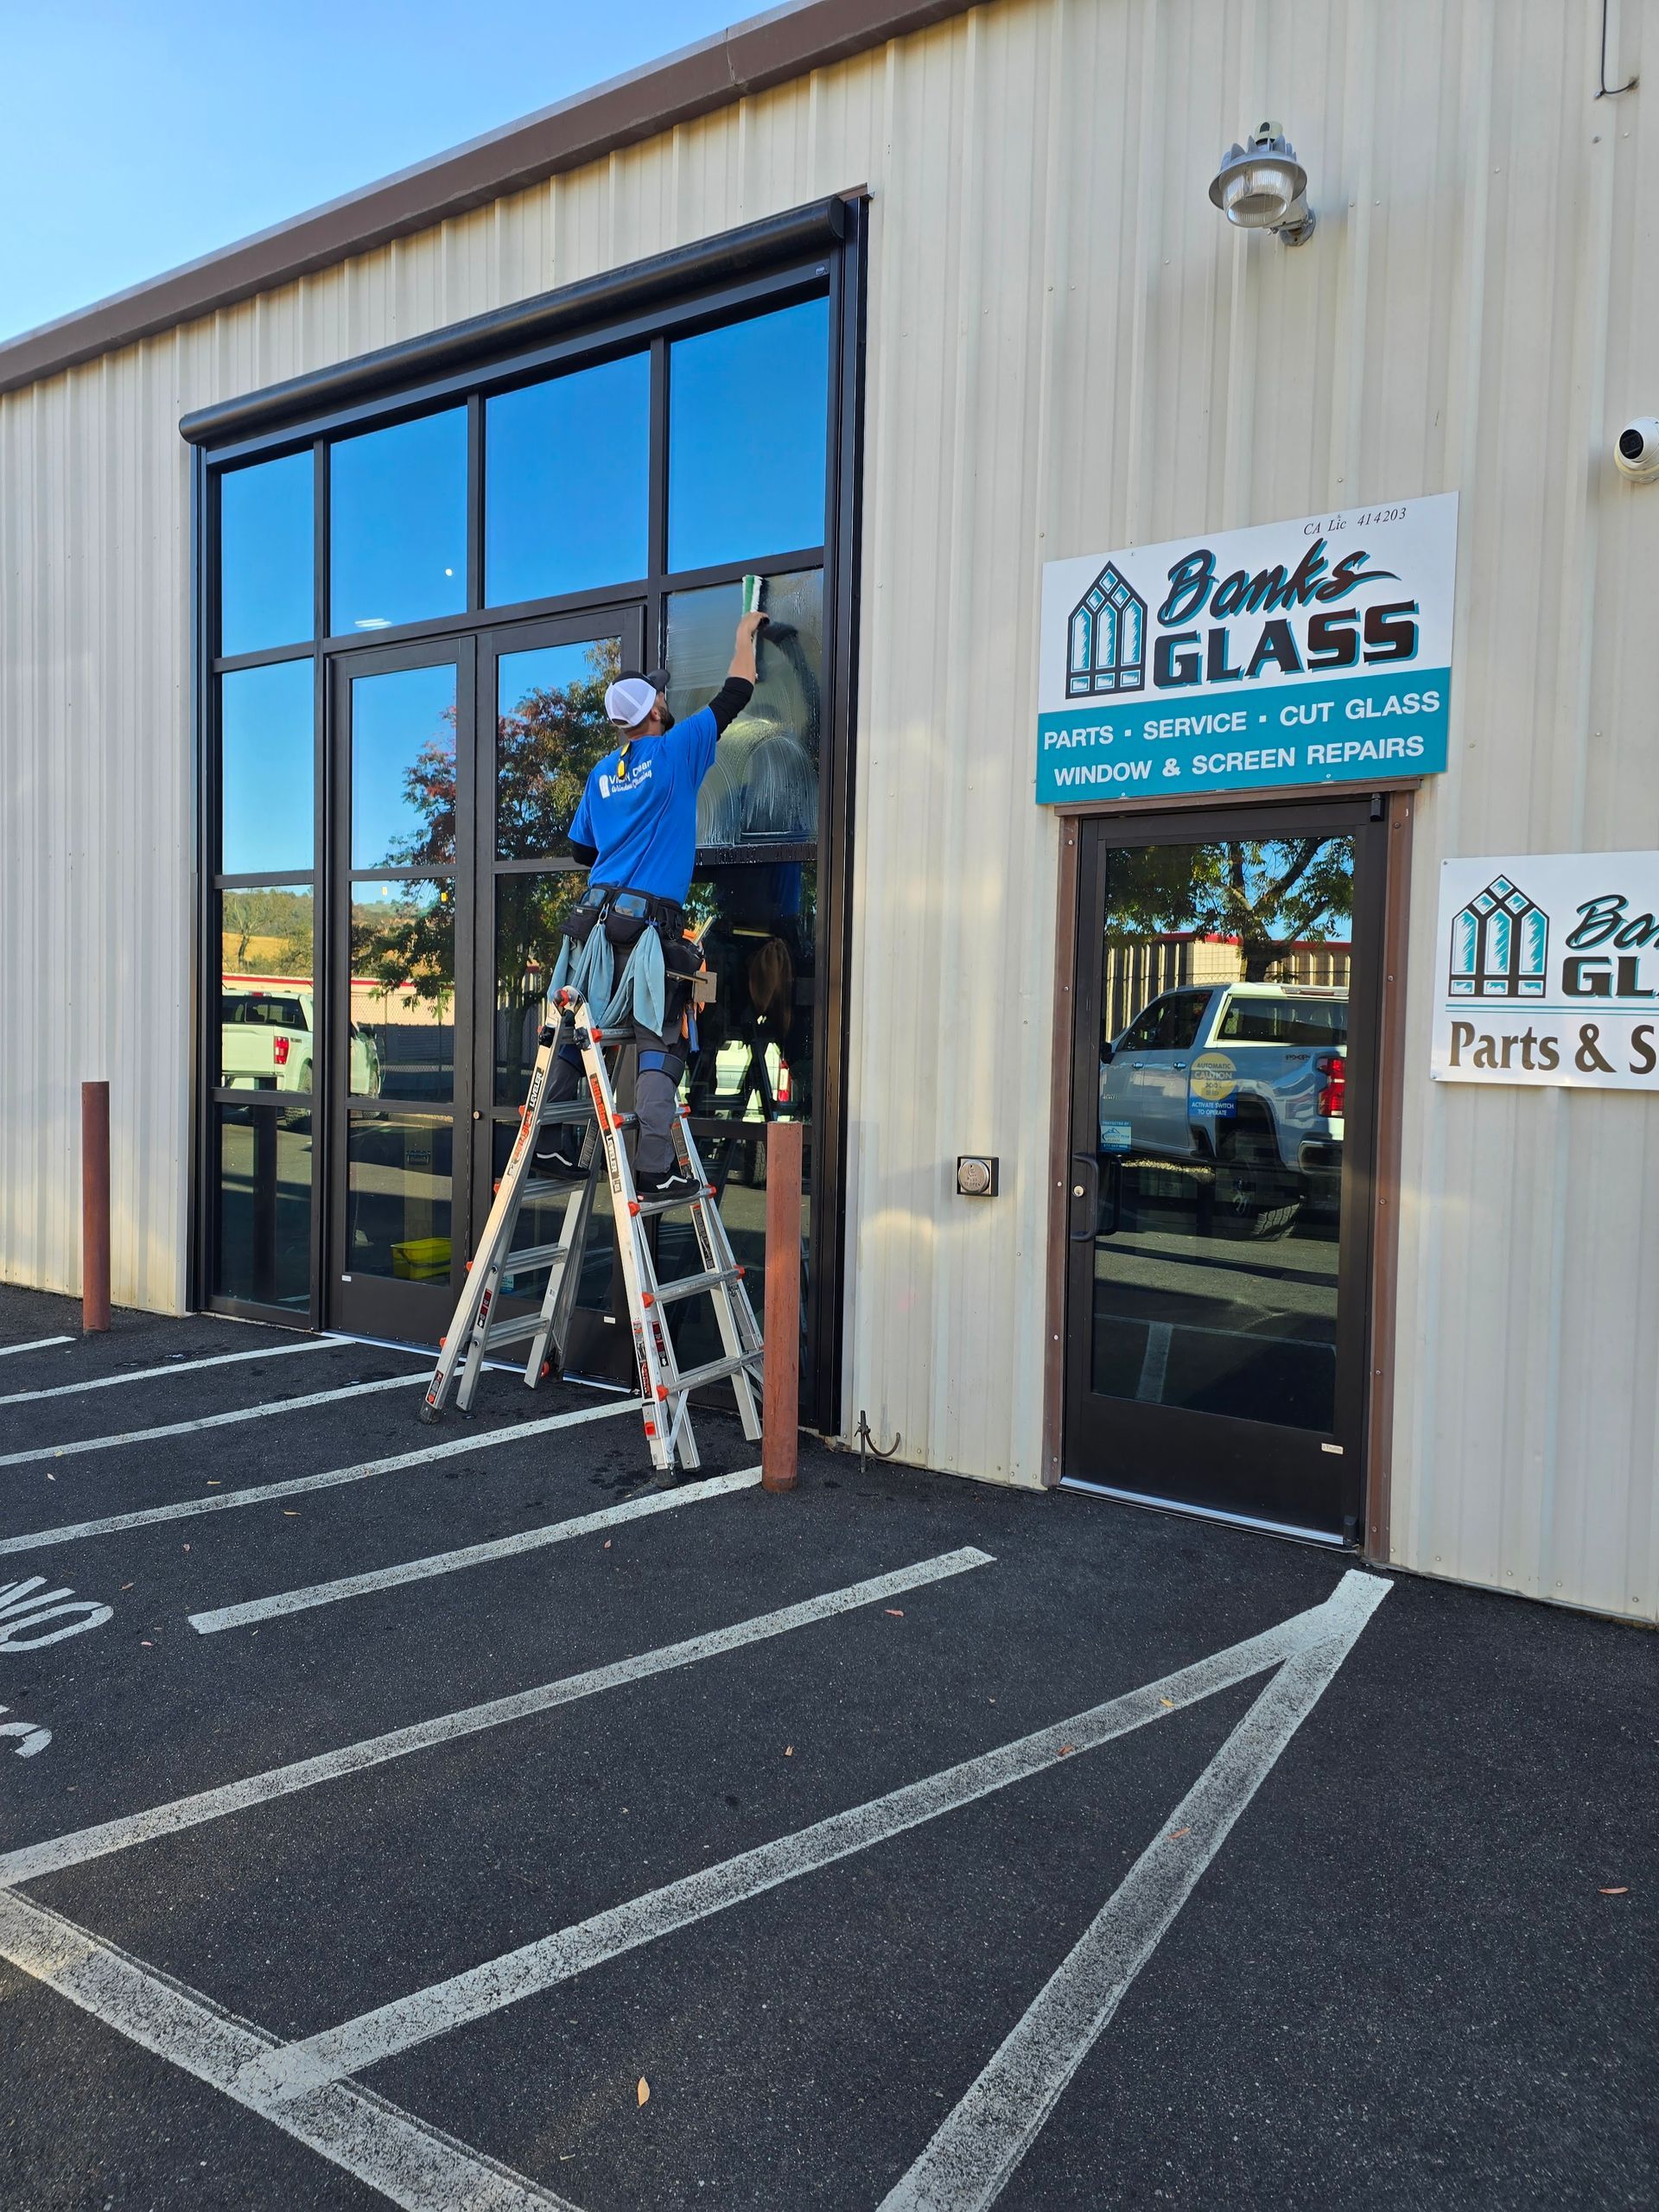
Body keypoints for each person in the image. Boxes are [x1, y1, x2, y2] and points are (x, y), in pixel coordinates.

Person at [537, 609, 768, 1198]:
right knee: (660, 1040)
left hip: (592, 928)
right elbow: (737, 691)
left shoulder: (601, 773)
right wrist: (743, 634)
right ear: (657, 712)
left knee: (576, 1029)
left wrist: (629, 849)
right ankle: (655, 1169)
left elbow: (580, 850)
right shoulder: (675, 750)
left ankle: (550, 1148)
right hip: (642, 933)